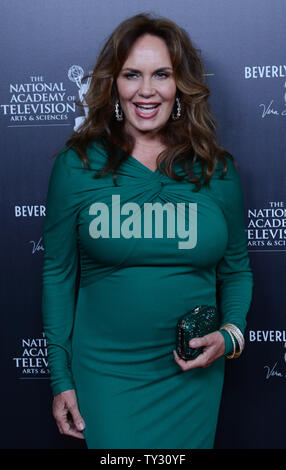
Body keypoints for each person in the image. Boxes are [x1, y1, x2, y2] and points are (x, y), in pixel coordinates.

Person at [41, 12, 254, 449]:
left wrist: (230, 336)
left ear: (180, 85)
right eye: (131, 74)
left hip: (192, 377)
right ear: (113, 84)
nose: (146, 90)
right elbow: (57, 275)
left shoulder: (217, 170)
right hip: (106, 375)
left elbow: (236, 270)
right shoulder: (77, 165)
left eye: (161, 74)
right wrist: (60, 377)